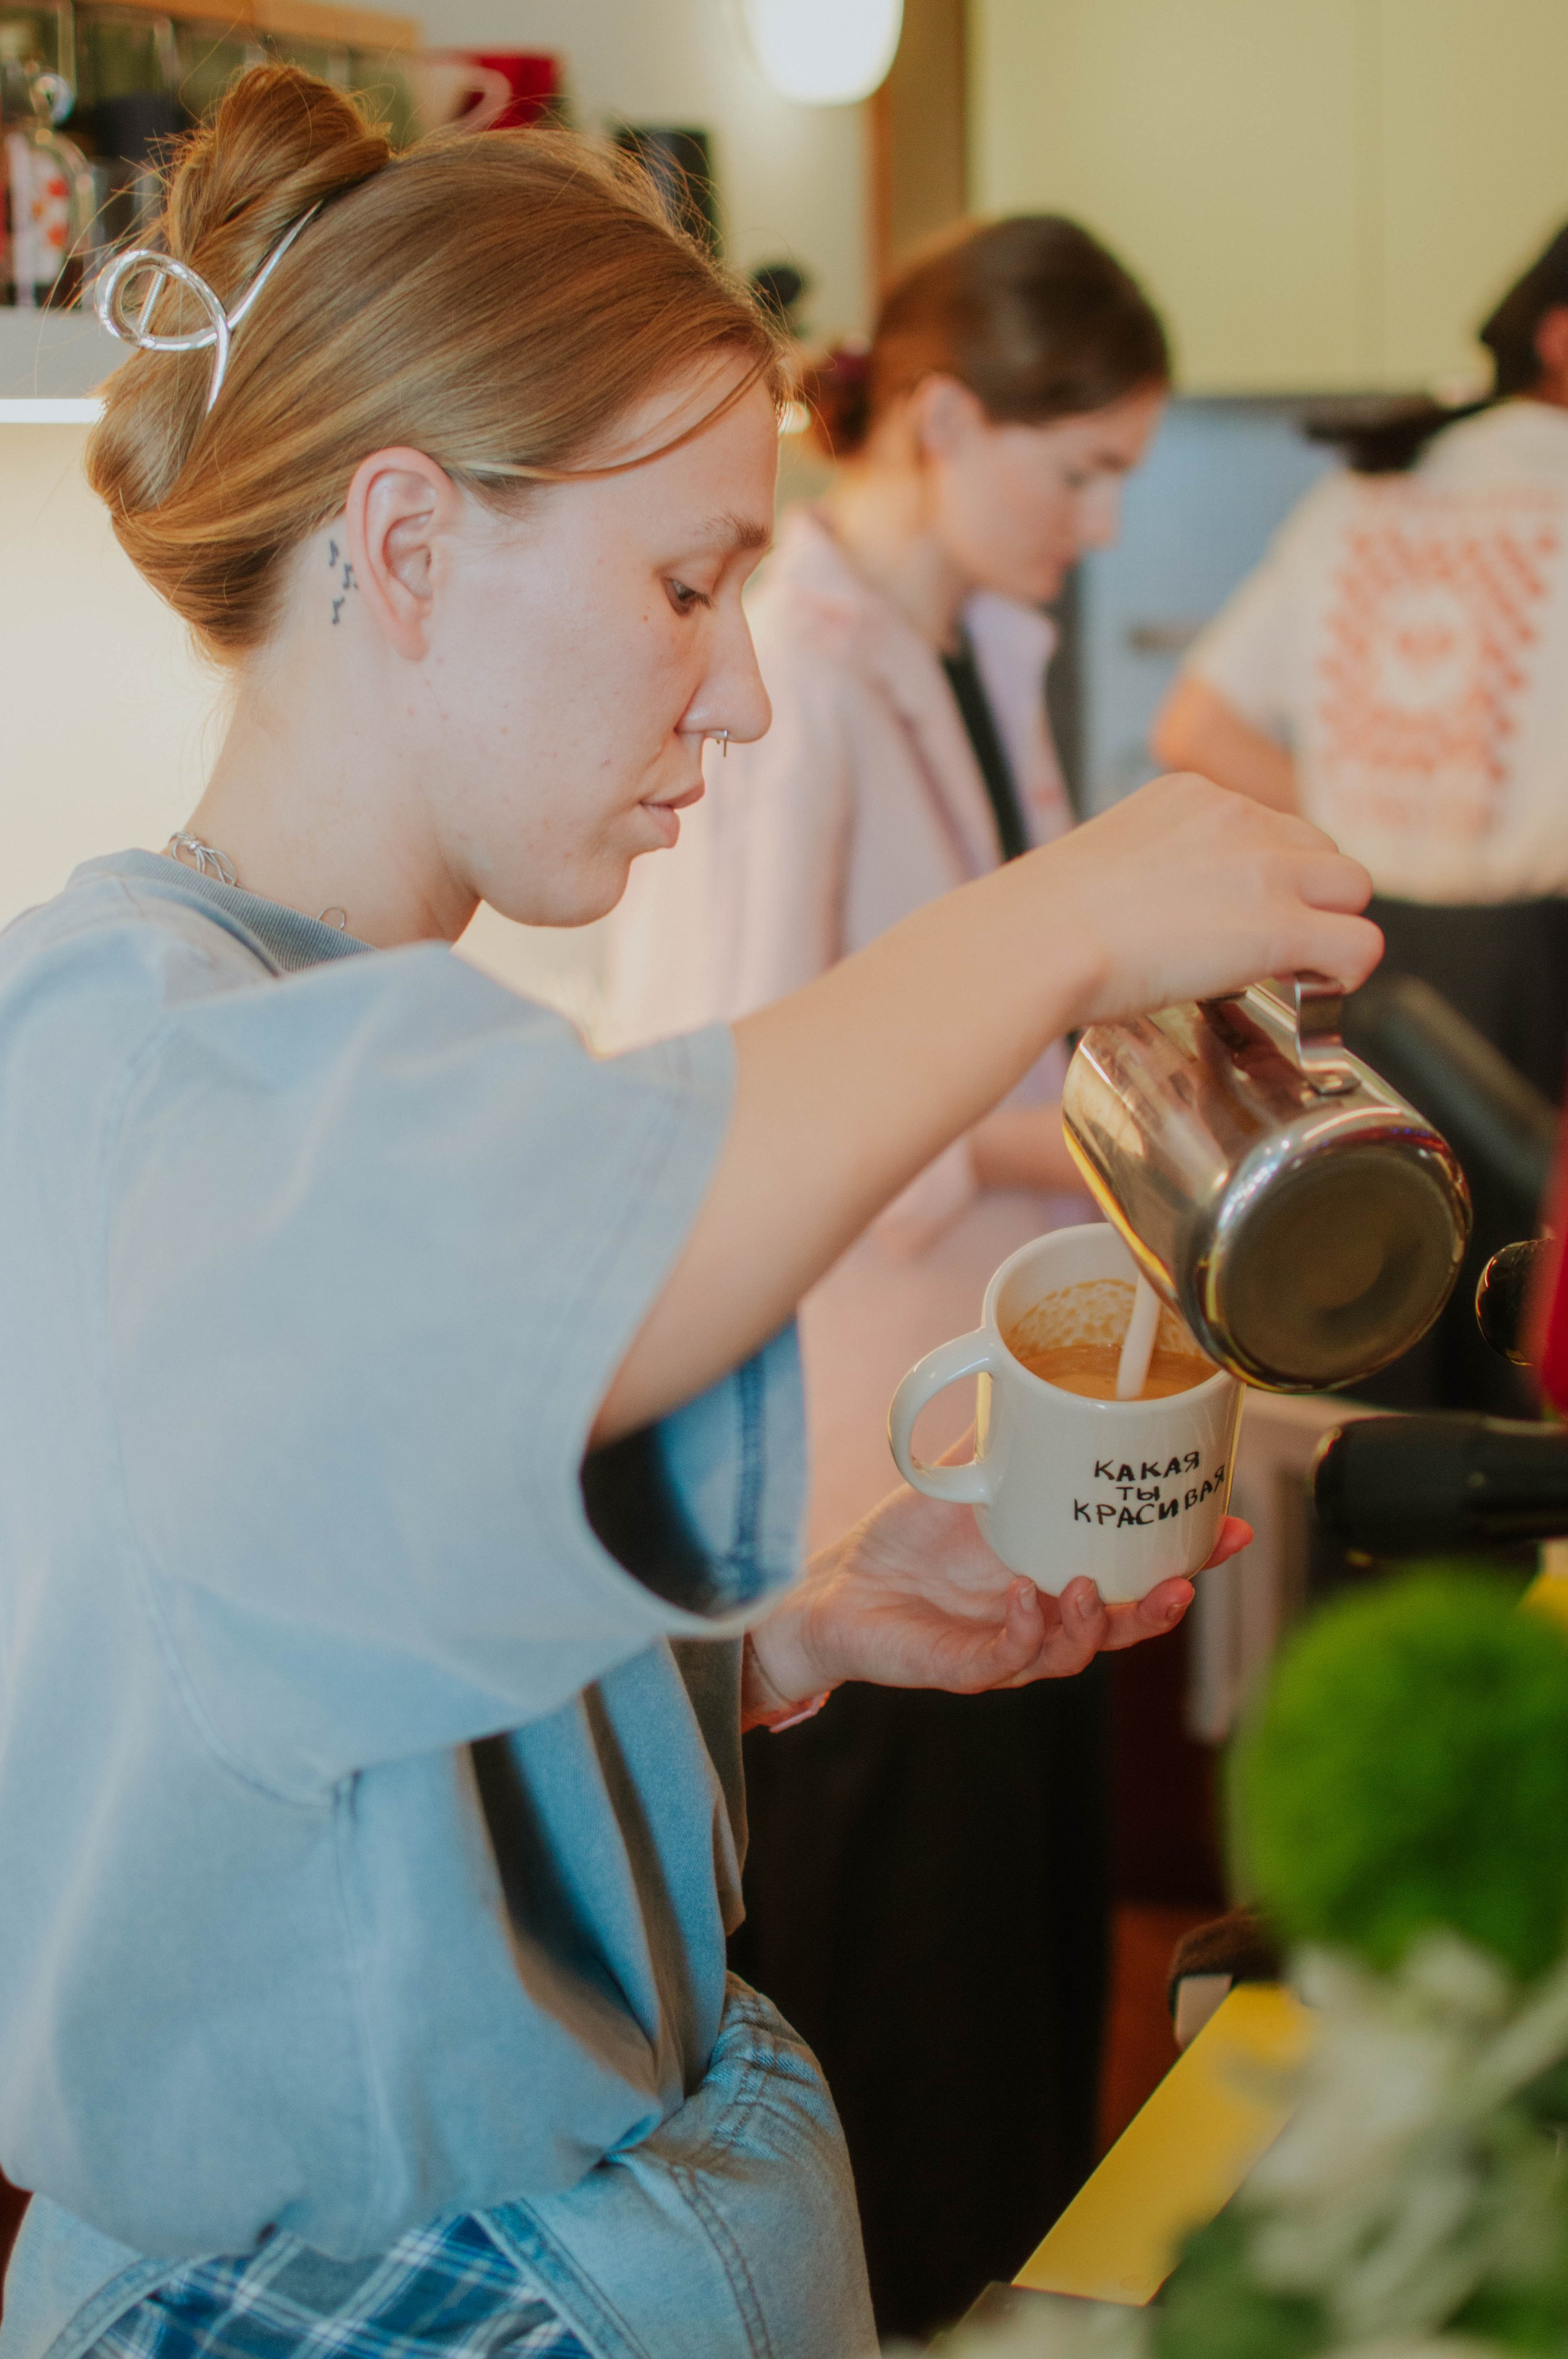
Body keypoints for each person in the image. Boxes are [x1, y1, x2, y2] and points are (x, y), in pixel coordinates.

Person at [0, 70, 1380, 2359]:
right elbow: (560, 1256)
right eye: (685, 584)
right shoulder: (129, 1044)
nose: (737, 694)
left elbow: (322, 1671)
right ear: (407, 544)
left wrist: (793, 1630)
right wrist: (1058, 922)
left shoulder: (340, 1027)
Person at [608, 217, 1174, 2336]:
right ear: (944, 418)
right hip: (852, 1447)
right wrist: (1097, 1137)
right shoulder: (800, 675)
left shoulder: (972, 647)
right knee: (913, 2043)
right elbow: (748, 1087)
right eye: (1081, 470)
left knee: (1018, 2003)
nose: (1100, 523)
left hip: (994, 1413)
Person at [1152, 222, 1568, 1411]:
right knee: (1518, 1353)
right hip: (1536, 978)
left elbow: (1196, 726)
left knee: (1368, 1310)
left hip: (1363, 961)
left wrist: (1354, 823)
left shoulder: (1366, 493)